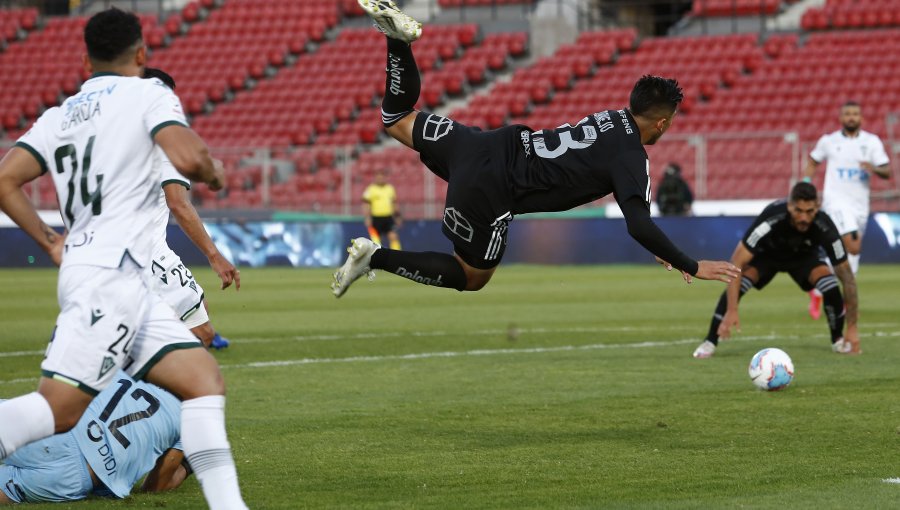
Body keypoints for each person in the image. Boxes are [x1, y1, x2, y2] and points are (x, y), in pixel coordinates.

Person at [0, 9, 248, 509]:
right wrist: (214, 172)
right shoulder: (148, 93)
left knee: (203, 379)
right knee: (59, 409)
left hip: (114, 276)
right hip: (110, 279)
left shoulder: (59, 115)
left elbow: (5, 179)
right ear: (141, 54)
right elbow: (190, 159)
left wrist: (51, 241)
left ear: (85, 57)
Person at [332, 0, 740, 298]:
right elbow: (638, 224)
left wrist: (659, 247)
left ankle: (399, 42)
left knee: (397, 118)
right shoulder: (632, 155)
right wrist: (692, 264)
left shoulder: (612, 116)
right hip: (494, 186)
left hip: (481, 143)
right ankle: (375, 258)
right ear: (663, 123)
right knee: (471, 275)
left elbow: (635, 214)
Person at [692, 182, 859, 359]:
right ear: (789, 205)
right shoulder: (772, 217)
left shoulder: (825, 226)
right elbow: (737, 262)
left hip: (804, 257)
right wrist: (732, 310)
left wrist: (853, 328)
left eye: (809, 211)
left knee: (831, 284)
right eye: (798, 211)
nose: (804, 217)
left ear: (817, 207)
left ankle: (838, 339)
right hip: (767, 256)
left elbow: (847, 278)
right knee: (740, 283)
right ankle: (710, 341)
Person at [144, 67, 235, 350]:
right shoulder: (166, 142)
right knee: (200, 335)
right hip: (144, 252)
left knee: (190, 306)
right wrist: (214, 255)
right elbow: (179, 204)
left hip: (100, 252)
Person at [0, 371, 188, 504]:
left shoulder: (131, 358)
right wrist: (188, 467)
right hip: (73, 478)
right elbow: (156, 486)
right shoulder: (187, 415)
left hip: (60, 429)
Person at [803, 101, 890, 319]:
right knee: (852, 244)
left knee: (850, 251)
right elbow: (813, 161)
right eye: (847, 114)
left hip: (860, 204)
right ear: (841, 118)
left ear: (861, 118)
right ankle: (838, 296)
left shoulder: (871, 142)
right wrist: (805, 183)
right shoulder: (829, 141)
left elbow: (887, 171)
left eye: (855, 114)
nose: (851, 117)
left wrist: (875, 168)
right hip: (836, 202)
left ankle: (819, 288)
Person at [362, 168, 402, 249]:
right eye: (378, 177)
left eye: (382, 177)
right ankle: (379, 258)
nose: (380, 179)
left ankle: (397, 257)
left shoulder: (390, 188)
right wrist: (367, 217)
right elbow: (366, 204)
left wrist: (398, 216)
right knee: (376, 241)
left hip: (388, 217)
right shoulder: (371, 189)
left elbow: (394, 203)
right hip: (376, 218)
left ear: (385, 178)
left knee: (393, 237)